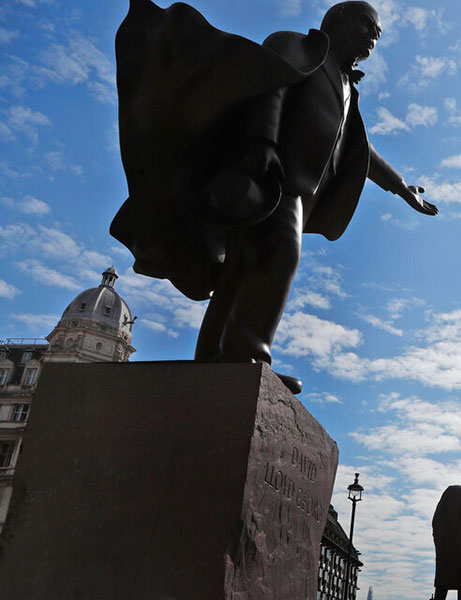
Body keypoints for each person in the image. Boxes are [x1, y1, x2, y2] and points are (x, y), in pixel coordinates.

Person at [111, 0, 437, 394]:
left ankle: (216, 357)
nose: (373, 38)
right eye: (367, 26)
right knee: (280, 255)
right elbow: (270, 87)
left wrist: (401, 186)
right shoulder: (296, 46)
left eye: (377, 34)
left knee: (241, 271)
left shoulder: (348, 86)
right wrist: (262, 142)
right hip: (271, 176)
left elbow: (362, 153)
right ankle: (249, 356)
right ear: (336, 22)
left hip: (298, 192)